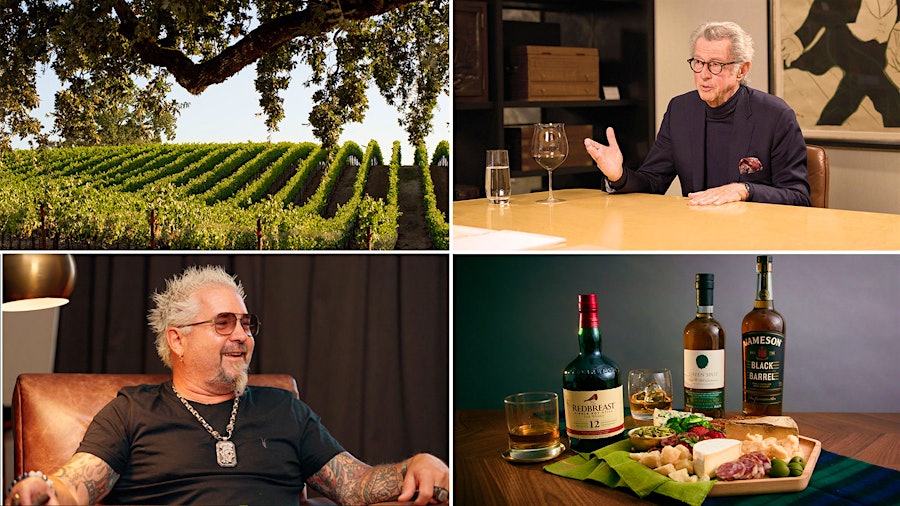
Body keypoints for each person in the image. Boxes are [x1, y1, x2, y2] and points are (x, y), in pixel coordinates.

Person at [5, 265, 449, 506]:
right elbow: (77, 486)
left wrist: (416, 464)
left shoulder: (285, 410)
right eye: (223, 323)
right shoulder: (131, 411)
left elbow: (357, 485)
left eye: (246, 323)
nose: (242, 335)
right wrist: (43, 488)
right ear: (177, 339)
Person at [585, 21, 811, 207]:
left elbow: (798, 197)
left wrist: (745, 190)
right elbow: (653, 181)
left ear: (742, 70)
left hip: (753, 236)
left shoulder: (775, 115)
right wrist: (619, 176)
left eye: (715, 65)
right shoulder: (680, 110)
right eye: (698, 63)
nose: (703, 74)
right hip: (695, 235)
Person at [783, 0, 900, 127]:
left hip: (874, 56)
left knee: (851, 92)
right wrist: (798, 40)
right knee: (889, 96)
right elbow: (822, 7)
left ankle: (824, 131)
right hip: (844, 43)